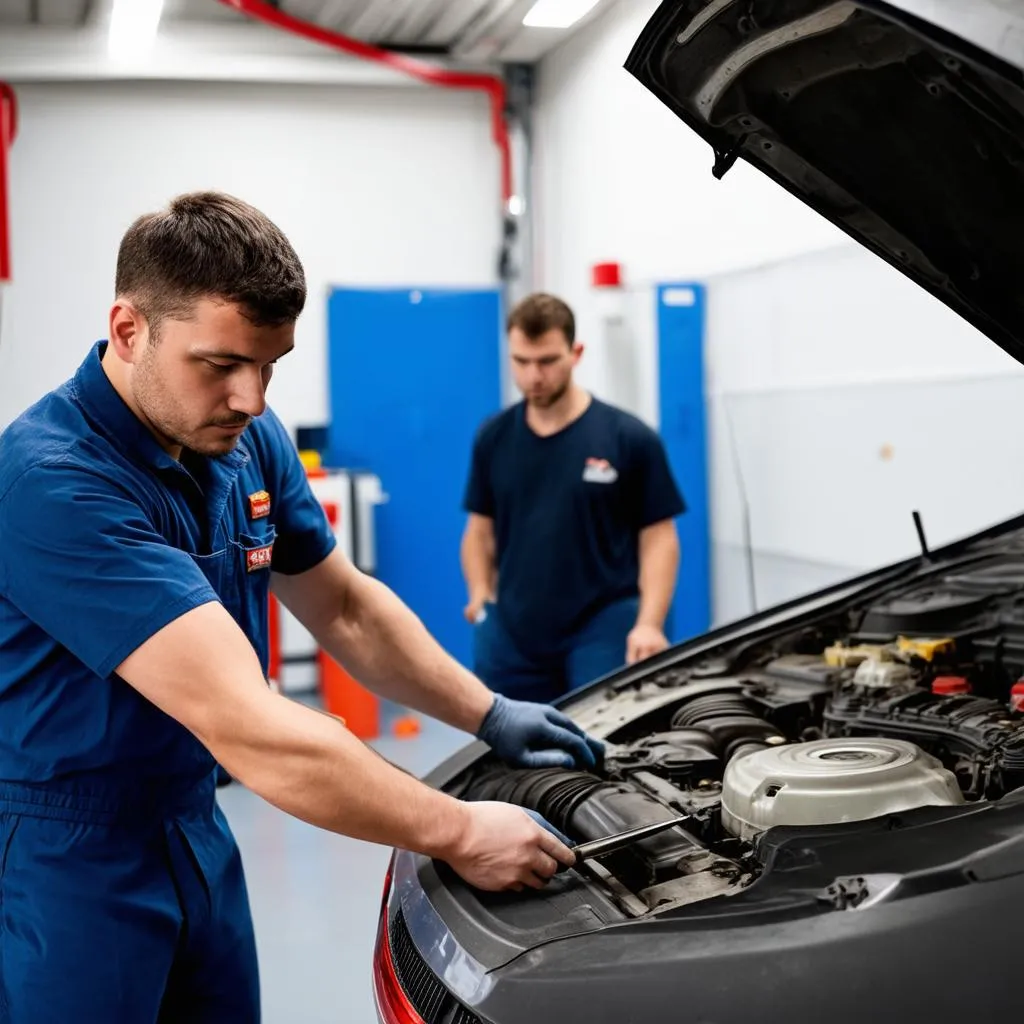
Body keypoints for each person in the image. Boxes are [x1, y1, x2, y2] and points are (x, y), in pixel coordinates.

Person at [0, 193, 604, 1024]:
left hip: (191, 824)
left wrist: (488, 711)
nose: (251, 397)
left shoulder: (246, 434)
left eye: (270, 365)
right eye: (220, 365)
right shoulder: (53, 483)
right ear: (130, 329)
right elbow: (251, 727)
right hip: (66, 858)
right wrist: (458, 830)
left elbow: (345, 607)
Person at [461, 292, 685, 704]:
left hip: (603, 625)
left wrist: (650, 624)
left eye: (547, 361)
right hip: (515, 630)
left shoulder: (628, 438)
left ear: (575, 352)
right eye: (521, 362)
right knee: (510, 754)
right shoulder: (493, 438)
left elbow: (660, 539)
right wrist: (479, 594)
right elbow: (479, 531)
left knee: (600, 750)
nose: (534, 376)